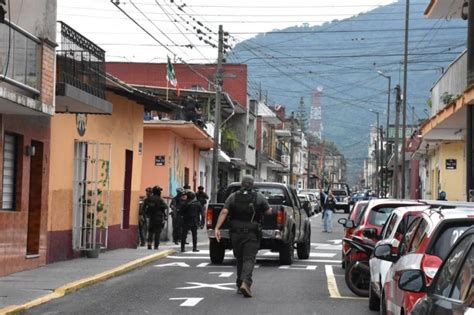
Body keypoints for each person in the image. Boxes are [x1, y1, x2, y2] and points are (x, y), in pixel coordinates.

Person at [214, 175, 272, 298]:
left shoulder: (233, 196)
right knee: (249, 259)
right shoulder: (259, 197)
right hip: (251, 232)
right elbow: (268, 211)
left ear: (242, 184)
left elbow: (224, 211)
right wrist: (261, 209)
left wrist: (217, 228)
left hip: (235, 233)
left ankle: (239, 284)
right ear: (252, 185)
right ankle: (246, 282)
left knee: (239, 258)